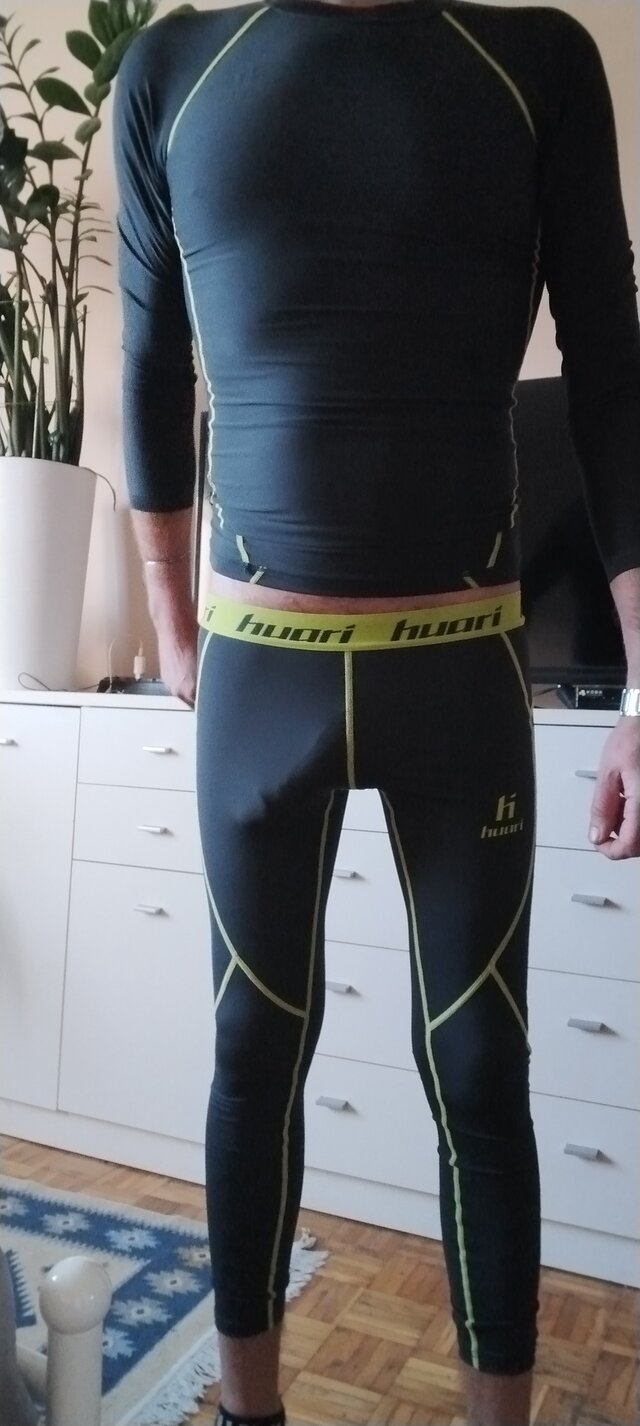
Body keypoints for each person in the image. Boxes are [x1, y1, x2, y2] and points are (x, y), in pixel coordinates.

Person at [113, 3, 640, 1422]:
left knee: (480, 1064)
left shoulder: (538, 61)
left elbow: (612, 371)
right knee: (251, 1052)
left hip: (463, 665)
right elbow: (151, 364)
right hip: (257, 668)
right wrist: (171, 629)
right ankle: (250, 1407)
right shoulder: (172, 69)